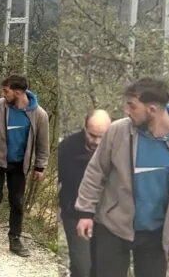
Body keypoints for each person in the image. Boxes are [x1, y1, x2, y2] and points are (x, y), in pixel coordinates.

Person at [75, 78, 169, 277]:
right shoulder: (118, 131)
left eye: (132, 106)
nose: (126, 111)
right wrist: (85, 212)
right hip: (113, 225)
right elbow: (96, 171)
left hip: (156, 233)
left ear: (152, 109)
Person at [0, 74, 49, 257]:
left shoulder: (39, 115)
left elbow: (42, 142)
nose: (2, 94)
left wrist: (40, 166)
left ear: (18, 92)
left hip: (19, 164)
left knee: (17, 203)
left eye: (6, 91)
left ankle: (14, 239)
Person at [58, 109, 111, 277]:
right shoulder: (68, 148)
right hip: (75, 213)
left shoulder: (118, 149)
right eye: (92, 135)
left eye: (102, 136)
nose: (96, 141)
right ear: (85, 128)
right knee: (83, 266)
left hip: (107, 218)